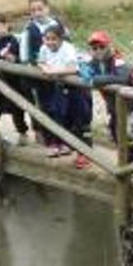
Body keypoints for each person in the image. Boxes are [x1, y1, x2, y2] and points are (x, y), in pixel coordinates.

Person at [80, 30, 133, 163]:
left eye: (101, 47)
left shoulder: (117, 59)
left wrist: (97, 79)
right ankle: (130, 157)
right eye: (94, 48)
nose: (98, 51)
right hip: (112, 102)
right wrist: (85, 71)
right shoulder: (94, 61)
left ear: (108, 46)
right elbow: (85, 70)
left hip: (127, 100)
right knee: (116, 130)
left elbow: (122, 77)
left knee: (120, 130)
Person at [35, 25, 89, 164]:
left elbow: (72, 68)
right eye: (47, 39)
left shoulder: (68, 48)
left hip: (71, 85)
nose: (50, 42)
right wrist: (44, 68)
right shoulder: (44, 48)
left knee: (72, 114)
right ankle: (55, 143)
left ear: (61, 39)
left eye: (54, 39)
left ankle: (69, 144)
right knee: (54, 112)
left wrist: (52, 72)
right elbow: (40, 61)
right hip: (54, 85)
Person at [19, 0, 67, 150]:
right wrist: (31, 68)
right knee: (43, 105)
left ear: (47, 8)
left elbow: (68, 43)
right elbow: (25, 55)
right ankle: (46, 136)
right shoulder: (29, 30)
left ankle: (64, 136)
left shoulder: (57, 24)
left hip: (60, 71)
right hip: (40, 74)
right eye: (33, 10)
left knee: (61, 103)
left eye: (40, 9)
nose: (37, 13)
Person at [0, 13, 30, 145]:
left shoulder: (14, 40)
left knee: (17, 110)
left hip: (14, 83)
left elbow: (20, 58)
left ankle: (23, 133)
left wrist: (13, 59)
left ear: (7, 25)